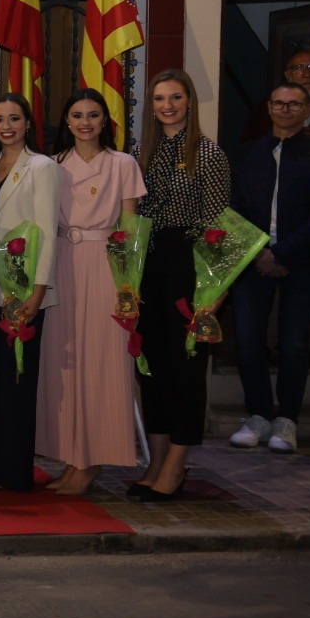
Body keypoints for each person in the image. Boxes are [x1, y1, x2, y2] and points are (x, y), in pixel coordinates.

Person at [35, 90, 146, 496]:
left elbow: (130, 228)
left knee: (102, 362)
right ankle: (69, 457)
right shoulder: (53, 165)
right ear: (66, 121)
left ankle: (93, 460)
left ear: (105, 121)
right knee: (64, 363)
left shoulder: (123, 164)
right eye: (77, 114)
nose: (85, 122)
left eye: (93, 115)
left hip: (105, 265)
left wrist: (128, 284)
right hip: (62, 262)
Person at [227, 82, 310, 454]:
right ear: (269, 108)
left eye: (294, 104)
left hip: (303, 264)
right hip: (252, 261)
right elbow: (235, 209)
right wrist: (261, 253)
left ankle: (287, 419)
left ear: (307, 108)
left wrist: (282, 254)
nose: (285, 109)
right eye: (278, 103)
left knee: (294, 345)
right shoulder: (247, 154)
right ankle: (258, 415)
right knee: (248, 343)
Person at [132, 69, 230, 501]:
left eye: (175, 97)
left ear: (189, 102)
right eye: (158, 98)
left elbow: (217, 229)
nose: (167, 105)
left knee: (186, 370)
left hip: (189, 269)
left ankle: (175, 466)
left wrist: (214, 291)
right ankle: (155, 462)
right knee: (152, 369)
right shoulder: (142, 153)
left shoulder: (208, 154)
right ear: (150, 106)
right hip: (148, 268)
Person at [0, 91, 60, 493]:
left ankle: (13, 473)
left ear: (28, 124)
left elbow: (46, 230)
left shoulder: (41, 167)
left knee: (16, 382)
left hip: (23, 292)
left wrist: (38, 291)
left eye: (14, 118)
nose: (6, 126)